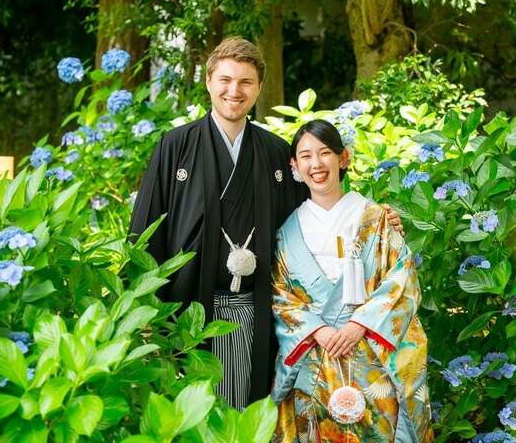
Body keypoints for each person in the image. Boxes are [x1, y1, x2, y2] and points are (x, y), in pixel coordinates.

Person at [128, 36, 403, 409]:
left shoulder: (274, 151)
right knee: (190, 412)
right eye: (225, 80)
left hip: (259, 311)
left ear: (258, 88)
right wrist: (143, 314)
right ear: (208, 82)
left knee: (250, 410)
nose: (234, 91)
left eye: (245, 82)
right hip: (185, 308)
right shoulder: (175, 146)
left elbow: (318, 210)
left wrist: (376, 220)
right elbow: (145, 233)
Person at [271, 119, 433, 442]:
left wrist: (359, 324)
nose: (316, 164)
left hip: (372, 355)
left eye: (325, 153)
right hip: (314, 355)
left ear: (343, 157)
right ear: (294, 166)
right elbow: (279, 295)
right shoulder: (287, 231)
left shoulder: (377, 218)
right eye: (305, 156)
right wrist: (319, 331)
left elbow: (402, 279)